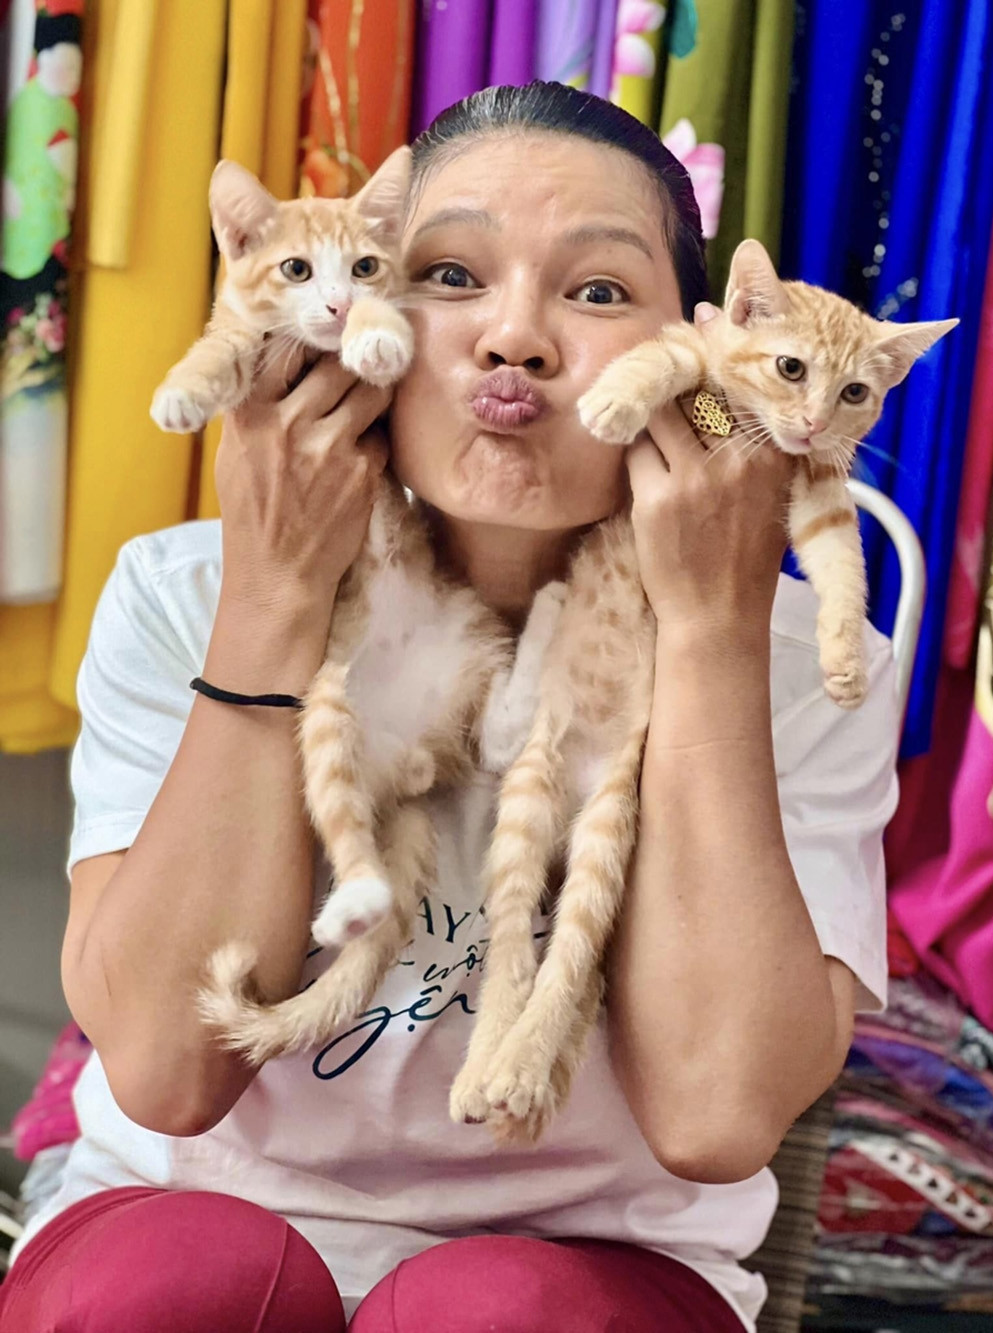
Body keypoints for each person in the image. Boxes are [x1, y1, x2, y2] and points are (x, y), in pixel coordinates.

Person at [0, 82, 897, 1333]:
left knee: (496, 1312)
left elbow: (716, 1115)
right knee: (175, 1284)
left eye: (596, 291)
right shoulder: (183, 592)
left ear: (692, 355)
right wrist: (271, 596)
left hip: (598, 1266)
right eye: (450, 275)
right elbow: (165, 1067)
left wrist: (710, 630)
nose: (514, 336)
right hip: (184, 1217)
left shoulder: (806, 662)